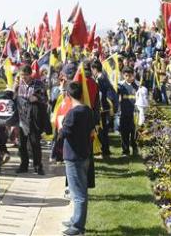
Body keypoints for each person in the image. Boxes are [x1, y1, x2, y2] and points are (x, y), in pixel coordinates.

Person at [60, 82, 94, 236]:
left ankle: (78, 227)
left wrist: (60, 123)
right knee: (78, 190)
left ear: (68, 95)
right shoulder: (87, 110)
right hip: (84, 153)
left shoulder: (73, 113)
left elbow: (64, 132)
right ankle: (75, 218)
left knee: (78, 193)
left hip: (74, 156)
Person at [118, 67, 139, 156]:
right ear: (123, 76)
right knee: (124, 132)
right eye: (126, 76)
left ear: (133, 75)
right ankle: (125, 151)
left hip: (135, 113)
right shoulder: (120, 85)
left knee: (134, 132)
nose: (128, 77)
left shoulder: (137, 85)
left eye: (130, 75)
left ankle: (135, 148)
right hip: (124, 113)